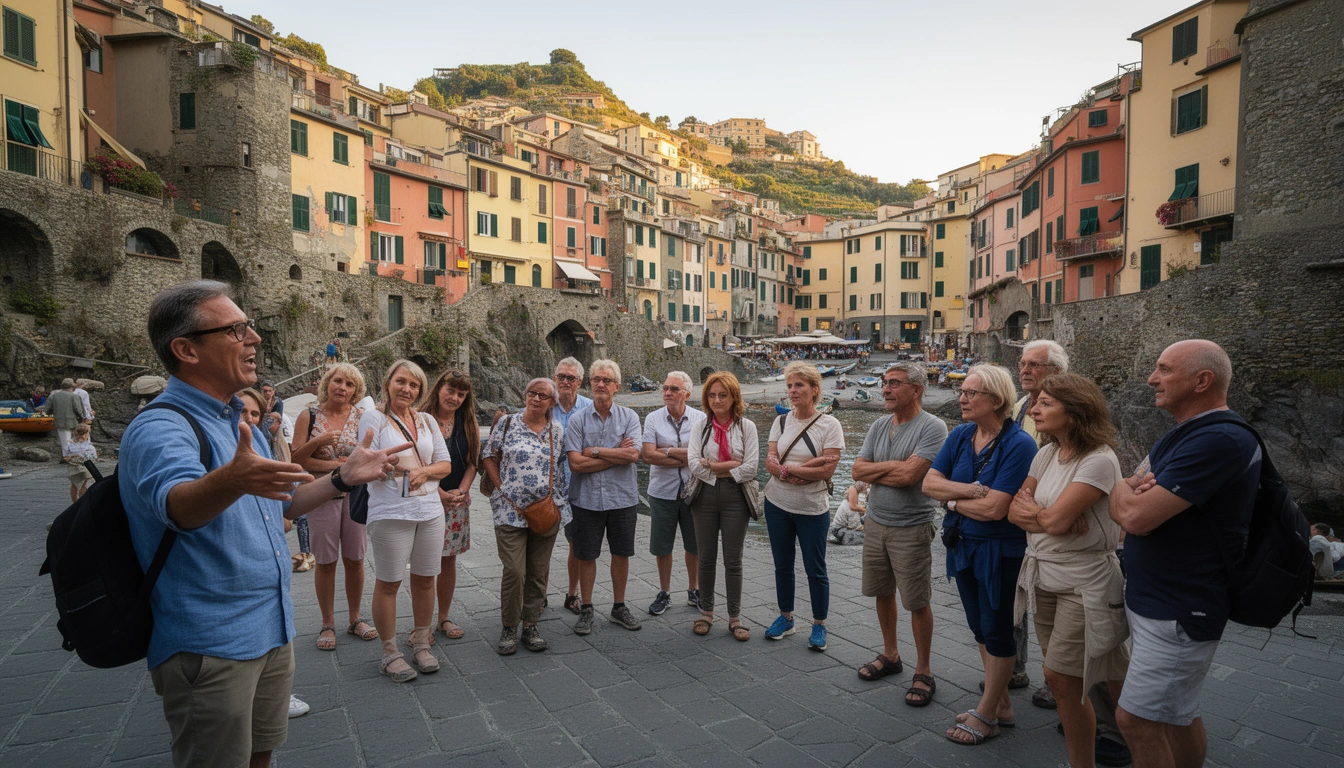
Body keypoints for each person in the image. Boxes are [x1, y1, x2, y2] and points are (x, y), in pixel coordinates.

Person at [119, 280, 411, 767]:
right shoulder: (160, 426)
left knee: (261, 757)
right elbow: (178, 507)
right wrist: (230, 480)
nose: (254, 338)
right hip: (211, 644)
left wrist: (343, 477)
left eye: (249, 325)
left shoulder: (240, 422)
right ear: (185, 349)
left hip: (271, 631)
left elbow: (281, 505)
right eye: (236, 329)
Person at [1109, 340, 1260, 768]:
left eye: (1164, 369)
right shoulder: (1184, 434)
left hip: (1179, 610)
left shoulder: (1220, 440)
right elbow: (1132, 495)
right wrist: (1127, 492)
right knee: (1176, 714)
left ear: (1202, 381)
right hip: (1159, 602)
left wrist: (1121, 490)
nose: (1151, 378)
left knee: (1135, 721)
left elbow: (1134, 515)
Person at [1014, 342, 1130, 766]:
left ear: (1074, 410)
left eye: (1045, 403)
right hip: (1044, 575)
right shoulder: (1045, 453)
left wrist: (1044, 515)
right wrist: (1048, 515)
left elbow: (1054, 521)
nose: (1033, 410)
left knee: (1061, 677)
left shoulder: (1099, 460)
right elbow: (1015, 510)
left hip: (1084, 583)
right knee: (1081, 678)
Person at [923, 364, 1037, 745]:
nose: (962, 398)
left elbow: (996, 510)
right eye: (963, 392)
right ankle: (1001, 705)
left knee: (998, 631)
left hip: (1000, 552)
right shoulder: (961, 435)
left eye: (972, 393)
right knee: (979, 630)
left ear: (996, 398)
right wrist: (971, 492)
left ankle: (987, 714)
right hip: (964, 547)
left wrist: (952, 499)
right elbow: (928, 483)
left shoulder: (1019, 444)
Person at [851, 361, 948, 707]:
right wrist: (894, 466)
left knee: (917, 600)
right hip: (876, 521)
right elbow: (856, 469)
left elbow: (911, 478)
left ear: (917, 390)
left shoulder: (933, 427)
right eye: (884, 382)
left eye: (894, 384)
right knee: (882, 592)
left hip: (912, 525)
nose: (886, 389)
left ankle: (924, 670)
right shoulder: (879, 425)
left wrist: (879, 472)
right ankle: (891, 654)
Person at [358, 359, 454, 682]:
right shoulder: (374, 417)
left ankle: (422, 641)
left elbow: (445, 465)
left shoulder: (426, 420)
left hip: (429, 511)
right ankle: (389, 653)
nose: (407, 389)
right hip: (390, 511)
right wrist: (407, 471)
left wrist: (422, 472)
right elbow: (369, 458)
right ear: (388, 383)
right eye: (401, 382)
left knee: (426, 578)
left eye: (414, 385)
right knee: (389, 582)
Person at [237, 387, 311, 721]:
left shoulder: (264, 443)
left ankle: (272, 695)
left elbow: (289, 499)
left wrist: (344, 477)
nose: (249, 420)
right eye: (241, 413)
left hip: (270, 573)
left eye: (255, 414)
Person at [481, 377, 570, 654]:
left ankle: (530, 624)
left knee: (537, 573)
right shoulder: (507, 423)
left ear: (552, 403)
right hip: (509, 510)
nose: (536, 399)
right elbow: (489, 456)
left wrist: (558, 503)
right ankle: (510, 625)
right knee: (515, 571)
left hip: (545, 511)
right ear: (525, 394)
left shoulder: (556, 429)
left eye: (543, 396)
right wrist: (500, 487)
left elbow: (562, 465)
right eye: (532, 393)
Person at [291, 364, 374, 651]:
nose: (342, 387)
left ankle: (355, 618)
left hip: (355, 498)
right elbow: (298, 460)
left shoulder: (363, 417)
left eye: (350, 384)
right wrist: (323, 447)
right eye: (337, 381)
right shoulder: (309, 415)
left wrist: (347, 469)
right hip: (321, 497)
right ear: (327, 383)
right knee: (325, 562)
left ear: (356, 390)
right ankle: (328, 623)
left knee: (356, 559)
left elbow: (368, 456)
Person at [763, 361, 844, 651]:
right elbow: (770, 462)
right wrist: (793, 470)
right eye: (789, 386)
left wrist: (789, 468)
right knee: (782, 566)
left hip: (812, 509)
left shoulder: (830, 424)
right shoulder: (781, 421)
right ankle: (786, 617)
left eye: (799, 385)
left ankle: (819, 624)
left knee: (815, 568)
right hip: (777, 503)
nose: (793, 391)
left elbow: (828, 470)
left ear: (814, 390)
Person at [564, 359, 643, 635]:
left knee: (621, 553)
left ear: (616, 387)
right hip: (585, 499)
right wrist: (615, 455)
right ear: (590, 383)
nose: (600, 384)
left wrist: (595, 451)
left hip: (622, 499)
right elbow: (575, 464)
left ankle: (618, 606)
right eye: (596, 379)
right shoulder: (577, 419)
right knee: (586, 555)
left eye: (606, 381)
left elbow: (633, 455)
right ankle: (586, 608)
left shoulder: (630, 418)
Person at [1008, 340, 1069, 696]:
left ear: (1057, 372)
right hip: (1020, 516)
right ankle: (1016, 668)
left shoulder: (1071, 408)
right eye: (1022, 363)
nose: (1025, 370)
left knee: (1053, 606)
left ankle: (1056, 681)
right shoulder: (1019, 406)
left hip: (1049, 517)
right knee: (1017, 597)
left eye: (1035, 365)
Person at [687, 372, 758, 641]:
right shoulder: (700, 427)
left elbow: (750, 469)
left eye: (723, 395)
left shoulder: (747, 427)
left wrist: (713, 466)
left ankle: (735, 617)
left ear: (733, 397)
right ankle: (706, 612)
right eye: (712, 395)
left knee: (733, 560)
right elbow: (694, 465)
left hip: (735, 498)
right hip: (703, 496)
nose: (717, 400)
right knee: (705, 559)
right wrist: (730, 466)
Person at [642, 371, 706, 615]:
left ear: (687, 394)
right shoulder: (653, 419)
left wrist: (666, 451)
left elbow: (703, 456)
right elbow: (647, 455)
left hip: (695, 492)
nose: (668, 393)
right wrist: (685, 456)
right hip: (662, 492)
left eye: (674, 389)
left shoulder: (701, 419)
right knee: (662, 546)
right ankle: (664, 592)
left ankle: (694, 589)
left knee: (695, 545)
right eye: (666, 388)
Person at [424, 368, 480, 641]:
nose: (455, 397)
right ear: (438, 388)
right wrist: (438, 494)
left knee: (448, 562)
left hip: (456, 501)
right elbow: (414, 464)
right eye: (451, 390)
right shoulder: (420, 420)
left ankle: (443, 617)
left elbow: (472, 462)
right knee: (423, 563)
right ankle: (420, 624)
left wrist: (462, 490)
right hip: (423, 499)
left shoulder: (467, 423)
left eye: (461, 393)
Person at [552, 357, 592, 615]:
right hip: (546, 488)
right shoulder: (544, 403)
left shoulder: (589, 408)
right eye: (561, 377)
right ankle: (537, 595)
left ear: (579, 382)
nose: (565, 382)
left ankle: (572, 594)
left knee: (576, 544)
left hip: (578, 486)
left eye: (570, 378)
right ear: (554, 378)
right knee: (539, 545)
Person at [45, 378, 85, 454]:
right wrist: (81, 419)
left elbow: (47, 410)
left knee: (65, 442)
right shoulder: (74, 396)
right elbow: (78, 410)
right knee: (73, 441)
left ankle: (66, 456)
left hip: (59, 422)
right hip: (73, 422)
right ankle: (71, 456)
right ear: (72, 386)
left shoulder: (53, 396)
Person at [63, 422, 97, 503]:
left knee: (74, 484)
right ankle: (81, 503)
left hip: (73, 465)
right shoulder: (88, 445)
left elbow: (66, 456)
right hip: (84, 466)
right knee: (83, 485)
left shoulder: (70, 444)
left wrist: (71, 457)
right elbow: (93, 457)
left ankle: (75, 502)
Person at [828, 482, 868, 546]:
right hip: (840, 530)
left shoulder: (847, 502)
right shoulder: (851, 508)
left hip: (837, 529)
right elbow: (854, 525)